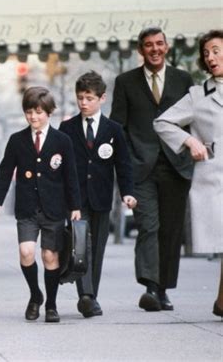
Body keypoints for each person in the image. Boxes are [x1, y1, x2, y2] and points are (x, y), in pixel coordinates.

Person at [110, 27, 194, 312]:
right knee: (149, 226)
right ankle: (150, 287)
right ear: (140, 50)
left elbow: (194, 121)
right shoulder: (125, 82)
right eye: (149, 45)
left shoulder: (184, 80)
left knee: (171, 231)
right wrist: (121, 165)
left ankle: (163, 290)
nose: (155, 49)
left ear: (167, 47)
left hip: (177, 165)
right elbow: (117, 126)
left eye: (159, 44)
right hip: (140, 167)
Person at [0, 86, 81, 323]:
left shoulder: (62, 141)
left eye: (39, 111)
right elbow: (5, 171)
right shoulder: (17, 140)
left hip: (54, 209)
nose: (33, 117)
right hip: (27, 208)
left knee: (50, 256)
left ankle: (51, 304)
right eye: (29, 112)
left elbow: (71, 175)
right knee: (26, 252)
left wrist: (75, 206)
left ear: (49, 112)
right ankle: (35, 295)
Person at [154, 29, 223, 318]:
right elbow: (162, 122)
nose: (210, 57)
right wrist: (190, 141)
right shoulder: (198, 95)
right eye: (207, 53)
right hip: (214, 179)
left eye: (216, 50)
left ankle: (221, 301)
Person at [59, 71, 136, 318]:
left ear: (102, 98)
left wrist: (128, 193)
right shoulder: (67, 128)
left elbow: (123, 164)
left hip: (102, 198)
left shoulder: (113, 130)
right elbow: (62, 165)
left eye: (89, 98)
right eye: (80, 97)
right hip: (76, 200)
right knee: (81, 246)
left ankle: (92, 295)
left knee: (97, 248)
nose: (83, 103)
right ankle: (86, 296)